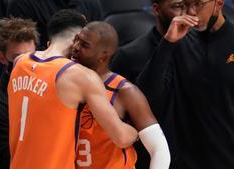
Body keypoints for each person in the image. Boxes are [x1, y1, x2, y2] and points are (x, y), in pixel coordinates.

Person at [136, 0, 234, 168]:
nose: (192, 12)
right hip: (190, 163)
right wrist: (167, 42)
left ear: (219, 3)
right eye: (186, 5)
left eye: (198, 4)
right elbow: (146, 96)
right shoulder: (178, 44)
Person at [7, 9, 138, 169]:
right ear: (77, 37)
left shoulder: (19, 62)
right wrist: (137, 131)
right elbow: (121, 137)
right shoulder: (79, 76)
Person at [71, 21, 170, 169]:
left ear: (103, 57)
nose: (75, 47)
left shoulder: (125, 92)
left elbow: (160, 149)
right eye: (76, 39)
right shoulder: (65, 81)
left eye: (84, 45)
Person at [0, 17, 38, 169]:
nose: (27, 65)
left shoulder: (49, 86)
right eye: (18, 58)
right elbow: (5, 163)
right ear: (2, 58)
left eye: (31, 57)